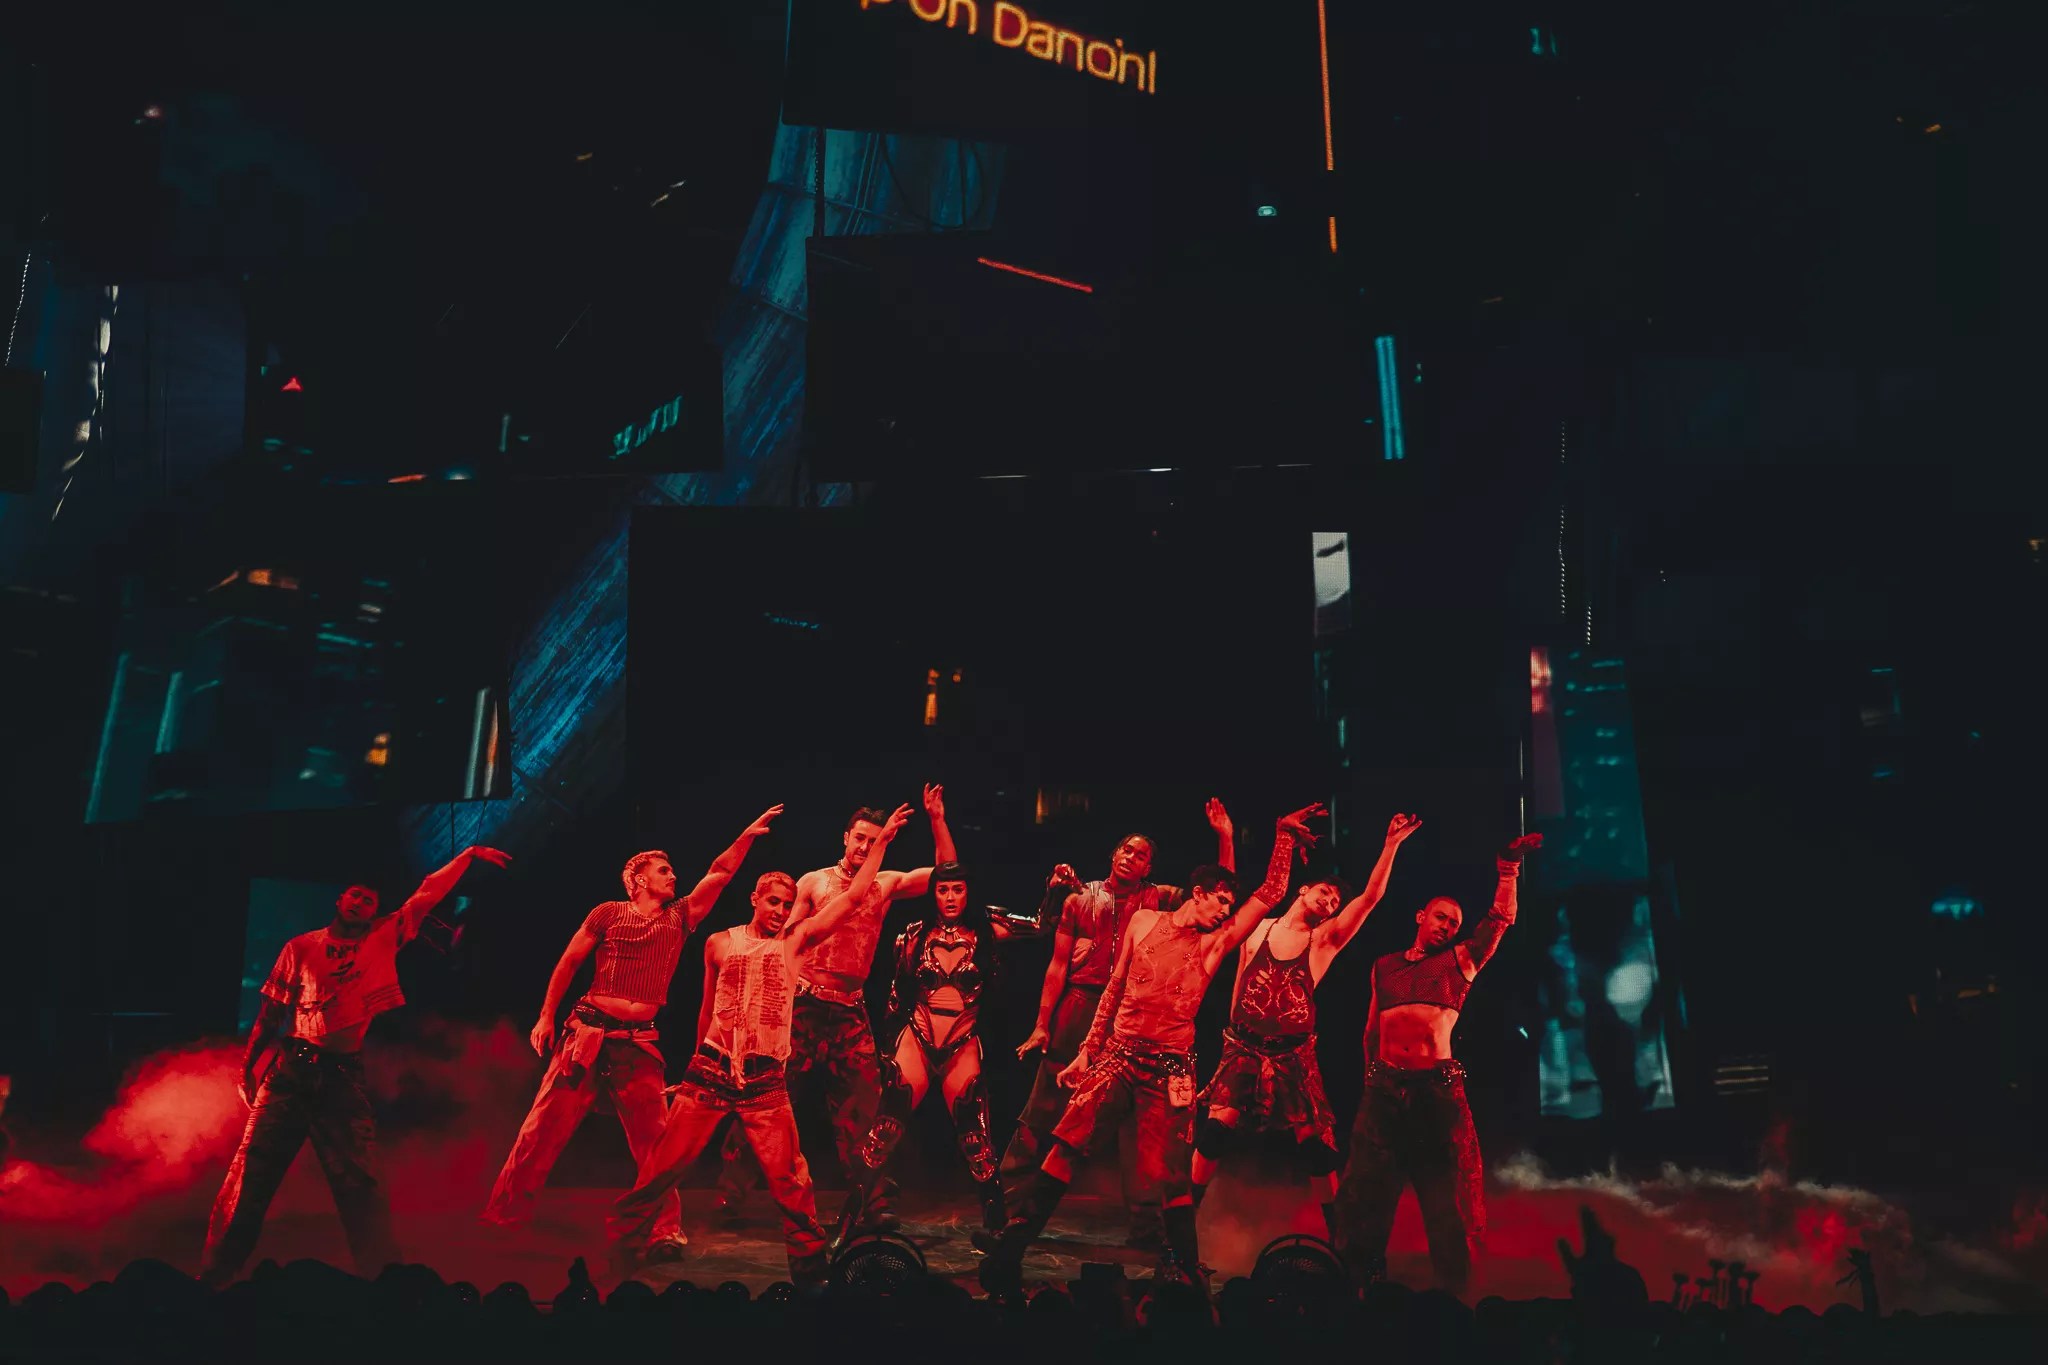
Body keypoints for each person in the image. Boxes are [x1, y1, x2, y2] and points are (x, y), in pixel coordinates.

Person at [976, 806, 1322, 1296]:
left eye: (1230, 905)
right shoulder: (1143, 920)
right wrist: (1087, 1052)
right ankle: (1011, 1250)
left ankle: (1185, 1271)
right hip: (1118, 1056)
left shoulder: (1216, 944)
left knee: (1171, 1176)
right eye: (1222, 901)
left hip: (1168, 1069)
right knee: (1065, 1146)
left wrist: (1282, 836)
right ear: (1198, 893)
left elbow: (1270, 894)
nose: (1227, 912)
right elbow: (1114, 989)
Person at [607, 803, 914, 1286]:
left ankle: (809, 1268)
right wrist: (692, 1067)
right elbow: (706, 1011)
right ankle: (621, 1245)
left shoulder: (796, 943)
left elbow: (855, 897)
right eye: (773, 902)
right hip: (709, 1073)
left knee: (791, 1178)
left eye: (787, 905)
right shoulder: (719, 942)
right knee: (662, 1168)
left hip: (764, 1081)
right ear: (755, 899)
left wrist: (882, 843)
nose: (780, 912)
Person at [200, 845, 512, 1286]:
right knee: (251, 1172)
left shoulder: (384, 936)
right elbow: (270, 1013)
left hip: (341, 1075)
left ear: (374, 911)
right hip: (290, 1071)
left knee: (361, 1183)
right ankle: (214, 1276)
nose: (361, 903)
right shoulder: (301, 947)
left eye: (369, 900)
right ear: (340, 900)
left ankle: (385, 1281)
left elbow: (427, 894)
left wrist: (469, 855)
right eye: (355, 896)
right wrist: (247, 1067)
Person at [480, 807, 786, 1254]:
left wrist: (747, 836)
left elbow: (719, 874)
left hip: (638, 1044)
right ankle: (503, 1214)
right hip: (588, 1034)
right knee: (540, 1130)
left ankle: (665, 1230)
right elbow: (569, 961)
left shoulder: (681, 916)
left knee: (657, 1144)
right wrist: (546, 1016)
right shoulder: (608, 913)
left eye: (672, 871)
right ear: (639, 880)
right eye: (664, 870)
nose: (673, 876)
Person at [714, 786, 955, 1232]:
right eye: (859, 838)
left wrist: (937, 820)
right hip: (802, 1007)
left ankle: (873, 1199)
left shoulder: (885, 883)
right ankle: (732, 1190)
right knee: (766, 1097)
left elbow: (946, 875)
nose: (864, 846)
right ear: (845, 838)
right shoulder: (813, 882)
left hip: (849, 1012)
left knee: (867, 1109)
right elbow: (781, 941)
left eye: (873, 840)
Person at [998, 801, 1237, 1248]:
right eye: (1127, 850)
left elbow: (1220, 896)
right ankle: (1009, 1212)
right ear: (1113, 854)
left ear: (1149, 868)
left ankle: (1148, 1228)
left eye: (1141, 855)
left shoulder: (1162, 900)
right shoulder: (1080, 898)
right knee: (1044, 1108)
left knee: (1139, 1128)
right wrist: (1041, 1023)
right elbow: (1056, 966)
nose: (1131, 857)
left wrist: (1225, 837)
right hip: (1082, 1004)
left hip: (1139, 1013)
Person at [1329, 831, 1542, 1297]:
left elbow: (1500, 920)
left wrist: (1508, 869)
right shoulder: (1384, 966)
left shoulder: (1460, 961)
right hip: (1385, 1090)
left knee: (1447, 1197)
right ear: (1421, 916)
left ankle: (1458, 1294)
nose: (1447, 926)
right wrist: (1370, 1082)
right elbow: (1370, 1031)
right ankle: (1357, 1288)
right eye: (1441, 917)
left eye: (1454, 922)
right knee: (1366, 1193)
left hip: (1436, 1092)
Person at [1192, 813, 1423, 1238]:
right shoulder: (1257, 928)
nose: (1330, 902)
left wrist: (1391, 844)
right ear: (1304, 890)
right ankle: (1180, 1227)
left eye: (1335, 902)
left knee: (1316, 1147)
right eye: (1325, 893)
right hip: (1242, 1046)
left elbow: (1370, 898)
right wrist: (1227, 836)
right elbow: (1231, 936)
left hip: (1293, 1055)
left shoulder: (1324, 941)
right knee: (1214, 1134)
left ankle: (1341, 1237)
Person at [830, 859, 1038, 1248]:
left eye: (958, 889)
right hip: (919, 1037)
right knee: (881, 1135)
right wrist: (888, 1049)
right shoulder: (913, 937)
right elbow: (896, 998)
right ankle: (849, 1221)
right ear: (934, 894)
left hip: (961, 1039)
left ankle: (997, 1229)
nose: (950, 897)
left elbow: (1043, 925)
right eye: (943, 890)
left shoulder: (989, 932)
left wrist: (1059, 890)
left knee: (976, 1141)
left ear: (968, 892)